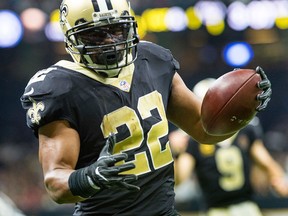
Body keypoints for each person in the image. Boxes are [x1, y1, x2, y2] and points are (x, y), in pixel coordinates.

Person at [20, 0, 271, 215]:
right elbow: (55, 183)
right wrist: (90, 176)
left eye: (117, 30)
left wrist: (245, 110)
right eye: (96, 35)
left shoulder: (153, 60)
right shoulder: (61, 87)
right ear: (71, 37)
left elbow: (205, 131)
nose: (110, 42)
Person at [171, 79, 287, 216]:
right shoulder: (193, 140)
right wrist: (176, 153)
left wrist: (278, 178)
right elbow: (179, 179)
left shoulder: (245, 130)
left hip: (247, 206)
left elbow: (266, 163)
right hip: (215, 210)